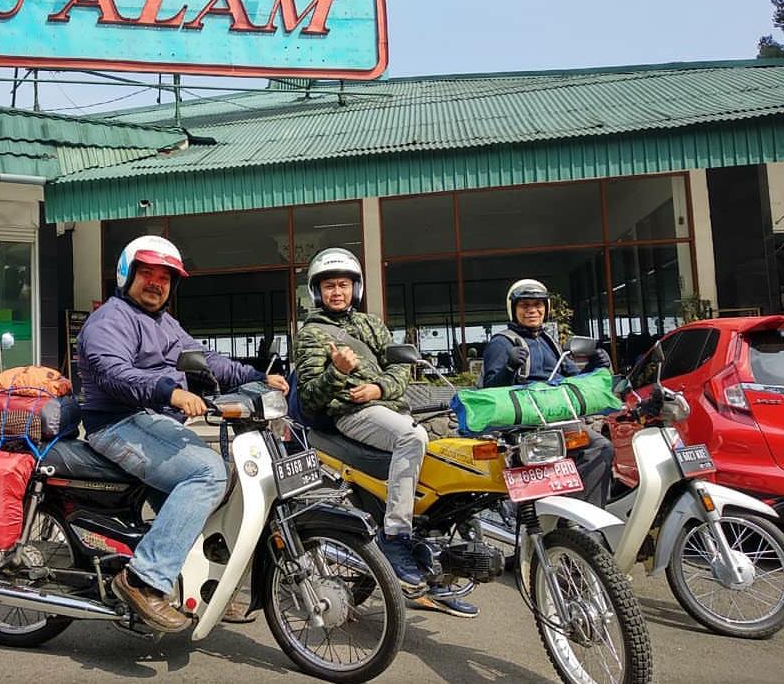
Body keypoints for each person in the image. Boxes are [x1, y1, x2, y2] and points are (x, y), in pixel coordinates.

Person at [77, 235, 288, 632]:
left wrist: (258, 377)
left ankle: (204, 586)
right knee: (207, 472)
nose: (156, 283)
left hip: (154, 423)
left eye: (165, 277)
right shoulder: (110, 319)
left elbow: (205, 361)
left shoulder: (164, 323)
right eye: (147, 273)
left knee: (225, 480)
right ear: (127, 274)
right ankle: (143, 579)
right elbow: (114, 373)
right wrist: (168, 391)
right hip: (116, 423)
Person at [293, 248, 478, 618]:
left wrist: (378, 388)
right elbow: (312, 395)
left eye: (343, 285)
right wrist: (338, 374)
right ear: (317, 292)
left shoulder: (372, 325)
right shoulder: (311, 335)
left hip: (386, 407)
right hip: (350, 414)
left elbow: (399, 370)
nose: (337, 292)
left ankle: (435, 564)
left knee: (451, 454)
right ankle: (395, 537)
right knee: (413, 439)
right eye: (329, 286)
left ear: (355, 289)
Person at [480, 279, 614, 507]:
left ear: (546, 308)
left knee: (602, 447)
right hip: (528, 423)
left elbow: (574, 381)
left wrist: (594, 367)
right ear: (513, 310)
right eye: (524, 305)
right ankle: (576, 517)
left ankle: (581, 516)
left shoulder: (549, 341)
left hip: (557, 418)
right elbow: (490, 391)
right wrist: (509, 367)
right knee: (598, 446)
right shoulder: (501, 343)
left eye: (537, 304)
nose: (532, 310)